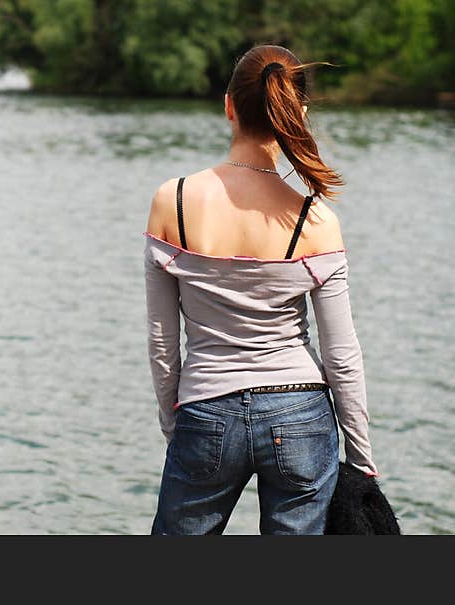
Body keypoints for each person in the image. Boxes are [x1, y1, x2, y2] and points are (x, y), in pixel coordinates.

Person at [143, 44, 378, 535]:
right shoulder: (315, 219)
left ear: (229, 106)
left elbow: (163, 345)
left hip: (205, 411)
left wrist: (178, 428)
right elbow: (341, 355)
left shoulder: (174, 201)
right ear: (299, 112)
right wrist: (360, 459)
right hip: (301, 415)